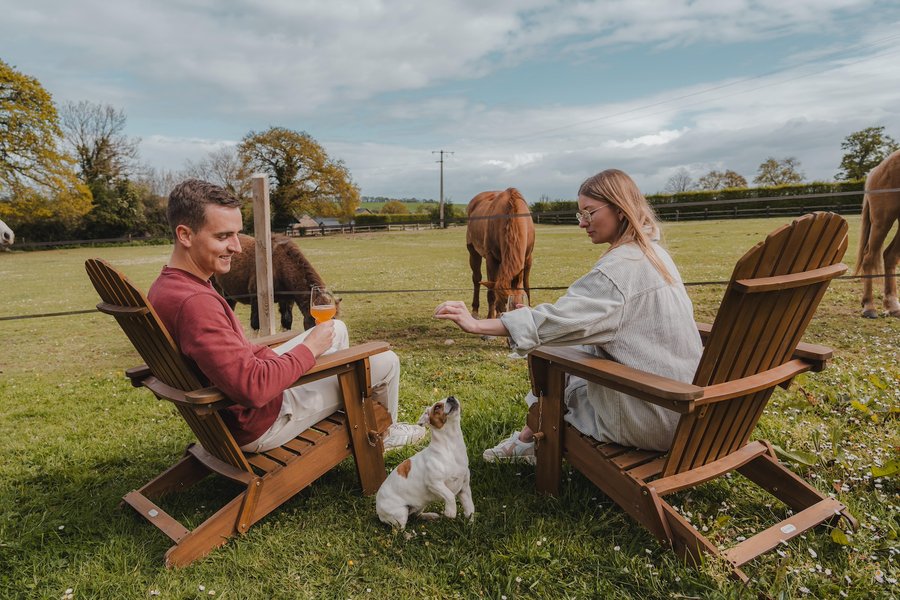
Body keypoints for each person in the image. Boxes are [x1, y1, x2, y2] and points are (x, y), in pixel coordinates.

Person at [434, 169, 702, 463]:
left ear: (621, 208)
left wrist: (476, 324)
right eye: (579, 215)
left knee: (550, 361)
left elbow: (554, 321)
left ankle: (530, 443)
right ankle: (526, 438)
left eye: (589, 213)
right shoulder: (655, 254)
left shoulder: (618, 271)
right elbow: (578, 317)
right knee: (571, 348)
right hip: (690, 407)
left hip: (652, 417)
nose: (582, 223)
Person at [148, 179, 426, 453]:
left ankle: (339, 396)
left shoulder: (167, 287)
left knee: (336, 328)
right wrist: (308, 350)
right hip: (261, 420)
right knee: (386, 360)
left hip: (238, 401)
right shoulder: (197, 303)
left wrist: (272, 356)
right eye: (223, 236)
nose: (237, 246)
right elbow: (253, 389)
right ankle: (383, 434)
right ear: (185, 235)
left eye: (237, 234)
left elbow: (230, 356)